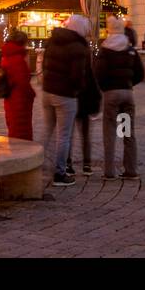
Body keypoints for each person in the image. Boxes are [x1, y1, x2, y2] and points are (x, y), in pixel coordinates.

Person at [41, 14, 91, 187]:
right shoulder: (77, 47)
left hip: (47, 91)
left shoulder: (53, 40)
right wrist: (79, 89)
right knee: (64, 135)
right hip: (65, 95)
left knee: (48, 131)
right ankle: (59, 173)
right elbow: (78, 75)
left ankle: (37, 165)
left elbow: (43, 65)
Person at [94, 15, 144, 180]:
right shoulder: (130, 49)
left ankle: (109, 172)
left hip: (111, 95)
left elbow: (98, 73)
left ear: (109, 30)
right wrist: (128, 84)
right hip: (127, 95)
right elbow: (140, 73)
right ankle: (130, 169)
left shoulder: (105, 49)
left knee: (109, 132)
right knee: (127, 132)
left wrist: (105, 88)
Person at [66, 51, 102, 177]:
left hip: (71, 103)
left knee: (68, 136)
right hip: (85, 105)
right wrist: (96, 105)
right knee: (85, 136)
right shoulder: (88, 71)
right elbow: (95, 89)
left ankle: (68, 164)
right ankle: (86, 165)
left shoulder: (69, 69)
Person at [0, 28, 35, 142]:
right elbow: (22, 81)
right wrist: (31, 94)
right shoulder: (17, 58)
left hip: (11, 98)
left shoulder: (7, 55)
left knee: (13, 126)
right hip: (19, 100)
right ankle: (21, 155)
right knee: (20, 132)